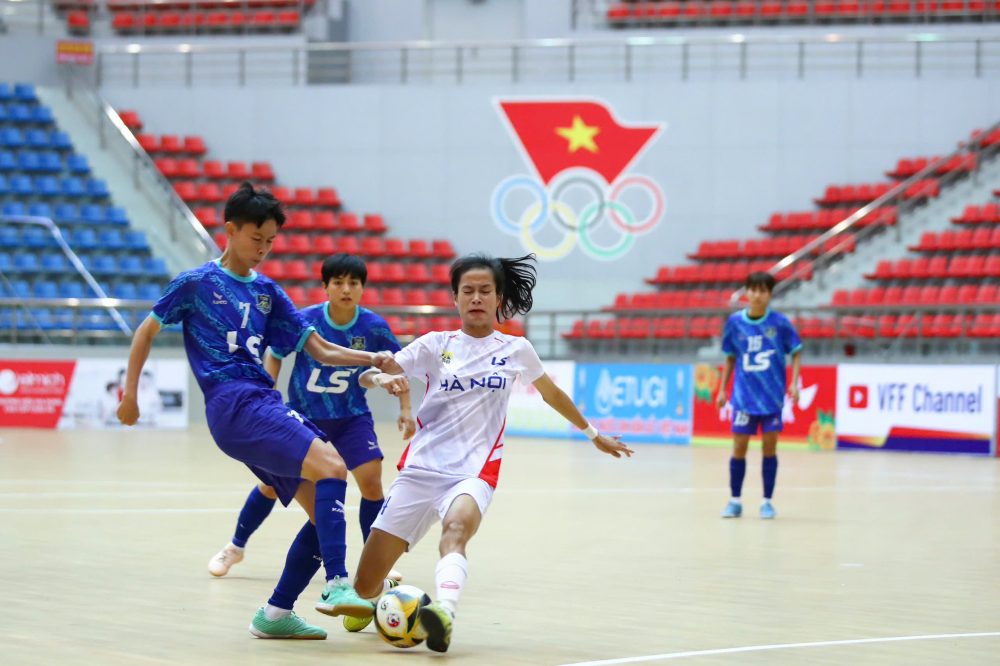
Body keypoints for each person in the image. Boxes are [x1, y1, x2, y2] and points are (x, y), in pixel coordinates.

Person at [116, 182, 408, 640]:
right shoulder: (196, 284)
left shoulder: (270, 292)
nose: (264, 249)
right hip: (236, 401)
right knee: (333, 465)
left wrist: (370, 359)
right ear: (229, 231)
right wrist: (130, 395)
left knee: (321, 513)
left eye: (271, 241)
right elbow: (145, 332)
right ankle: (336, 584)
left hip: (259, 403)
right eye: (257, 239)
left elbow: (320, 348)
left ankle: (274, 614)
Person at [344, 252, 634, 652]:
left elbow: (551, 393)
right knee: (363, 585)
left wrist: (592, 433)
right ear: (455, 297)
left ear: (498, 297)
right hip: (420, 470)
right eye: (468, 291)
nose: (476, 297)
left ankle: (443, 612)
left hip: (473, 472)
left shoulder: (515, 349)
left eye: (485, 290)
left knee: (457, 531)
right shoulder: (435, 345)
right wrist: (379, 377)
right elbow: (370, 374)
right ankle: (383, 593)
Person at [208, 253, 415, 599]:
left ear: (363, 288)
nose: (346, 289)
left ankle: (374, 561)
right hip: (304, 417)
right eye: (338, 282)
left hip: (350, 418)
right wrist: (268, 387)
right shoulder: (307, 320)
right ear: (326, 286)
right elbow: (274, 350)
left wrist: (405, 408)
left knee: (371, 479)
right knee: (272, 487)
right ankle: (235, 546)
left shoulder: (374, 326)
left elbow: (394, 367)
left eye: (353, 283)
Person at [715, 271, 801, 520]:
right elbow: (730, 357)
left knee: (769, 448)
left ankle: (767, 502)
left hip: (772, 397)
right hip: (743, 397)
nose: (756, 295)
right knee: (739, 448)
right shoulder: (734, 323)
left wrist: (794, 383)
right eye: (752, 289)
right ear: (747, 292)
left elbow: (796, 351)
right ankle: (735, 500)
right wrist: (722, 389)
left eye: (762, 290)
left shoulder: (780, 323)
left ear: (770, 294)